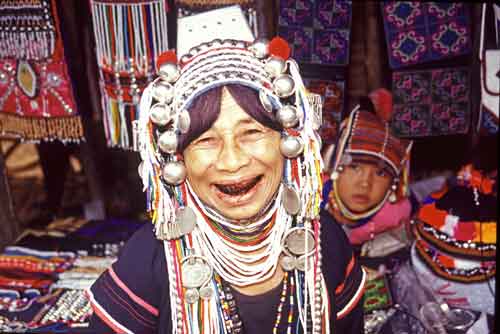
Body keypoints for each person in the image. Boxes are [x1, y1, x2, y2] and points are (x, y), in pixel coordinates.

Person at [85, 36, 365, 333]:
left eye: (251, 133)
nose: (232, 162)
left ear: (287, 142)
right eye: (206, 140)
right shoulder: (148, 262)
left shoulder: (326, 243)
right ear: (178, 159)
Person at [322, 89, 414, 261]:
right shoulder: (311, 197)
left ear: (392, 184)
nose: (365, 183)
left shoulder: (395, 216)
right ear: (335, 168)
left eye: (380, 173)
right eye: (355, 167)